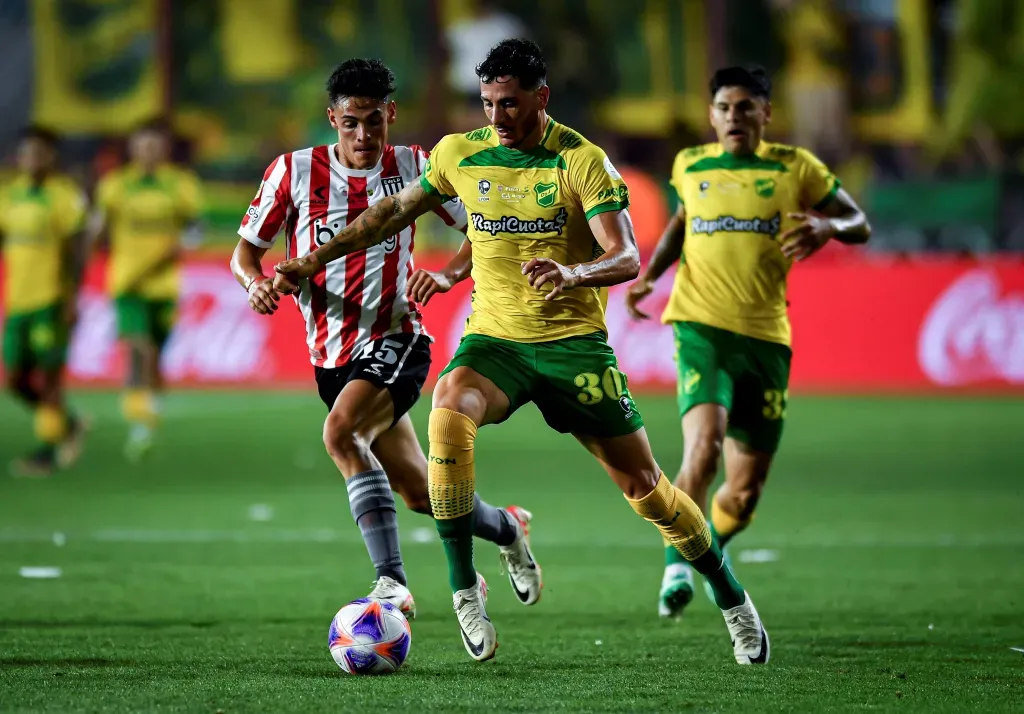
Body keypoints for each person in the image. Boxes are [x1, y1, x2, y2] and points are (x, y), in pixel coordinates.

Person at [274, 40, 768, 666]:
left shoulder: (582, 161)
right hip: (496, 342)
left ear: (541, 97)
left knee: (647, 489)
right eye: (486, 103)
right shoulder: (461, 153)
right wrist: (312, 260)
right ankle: (463, 593)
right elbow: (388, 214)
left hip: (573, 347)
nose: (496, 117)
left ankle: (733, 601)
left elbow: (626, 256)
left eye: (509, 104)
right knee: (448, 410)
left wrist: (573, 274)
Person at [230, 58, 539, 619]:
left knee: (342, 434)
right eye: (351, 122)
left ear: (391, 114)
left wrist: (446, 274)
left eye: (375, 120)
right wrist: (255, 284)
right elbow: (246, 253)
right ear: (333, 119)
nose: (364, 134)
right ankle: (507, 527)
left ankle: (391, 583)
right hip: (330, 356)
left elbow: (483, 228)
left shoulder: (417, 167)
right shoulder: (293, 171)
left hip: (397, 337)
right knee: (424, 495)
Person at [625, 65, 870, 618]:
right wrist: (649, 276)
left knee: (744, 491)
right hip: (699, 327)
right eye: (724, 108)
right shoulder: (691, 164)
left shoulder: (795, 168)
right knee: (703, 446)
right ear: (712, 115)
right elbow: (684, 222)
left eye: (745, 106)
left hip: (764, 338)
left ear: (766, 113)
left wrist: (829, 228)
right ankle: (677, 563)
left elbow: (859, 222)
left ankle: (714, 546)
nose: (734, 116)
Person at [91, 119, 203, 461]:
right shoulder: (115, 185)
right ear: (133, 148)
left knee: (154, 355)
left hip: (164, 284)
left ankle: (147, 415)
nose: (149, 151)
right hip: (127, 282)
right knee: (138, 349)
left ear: (165, 149)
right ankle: (139, 421)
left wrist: (183, 244)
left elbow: (195, 227)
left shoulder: (180, 184)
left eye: (155, 145)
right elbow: (100, 227)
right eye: (143, 145)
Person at [0, 126, 89, 476]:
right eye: (27, 152)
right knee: (14, 381)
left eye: (40, 152)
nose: (33, 158)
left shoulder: (64, 196)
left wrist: (71, 297)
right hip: (17, 302)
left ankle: (49, 452)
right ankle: (69, 422)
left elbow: (77, 252)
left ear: (52, 157)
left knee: (50, 380)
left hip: (50, 300)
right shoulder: (10, 196)